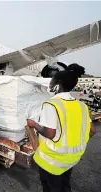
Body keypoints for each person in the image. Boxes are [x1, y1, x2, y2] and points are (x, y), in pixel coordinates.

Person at [27, 64, 97, 192]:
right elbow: (93, 130)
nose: (50, 85)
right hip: (72, 159)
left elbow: (50, 133)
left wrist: (34, 124)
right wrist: (79, 142)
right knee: (64, 186)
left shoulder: (52, 105)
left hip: (52, 161)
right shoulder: (82, 106)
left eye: (52, 82)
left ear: (59, 84)